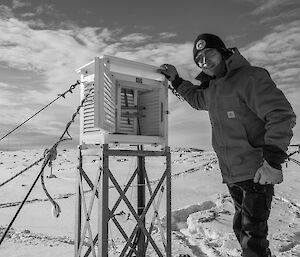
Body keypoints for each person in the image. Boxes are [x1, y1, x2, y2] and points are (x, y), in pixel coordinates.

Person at [159, 33, 296, 257]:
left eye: (209, 53)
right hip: (233, 174)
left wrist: (272, 162)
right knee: (242, 230)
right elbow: (195, 98)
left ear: (223, 53)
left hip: (257, 171)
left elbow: (281, 114)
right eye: (199, 58)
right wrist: (175, 79)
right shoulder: (212, 89)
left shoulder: (250, 78)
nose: (204, 60)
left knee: (253, 238)